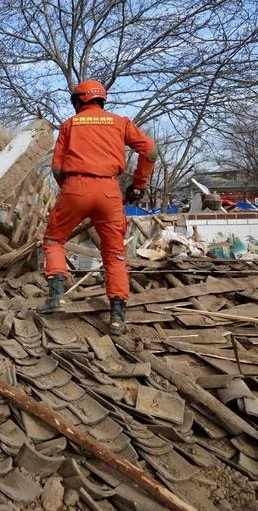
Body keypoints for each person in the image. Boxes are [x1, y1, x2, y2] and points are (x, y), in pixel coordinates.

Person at [41, 80, 157, 335]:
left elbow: (57, 168)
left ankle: (57, 297)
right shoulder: (120, 122)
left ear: (79, 100)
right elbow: (150, 151)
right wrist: (139, 185)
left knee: (53, 239)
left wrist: (71, 191)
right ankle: (117, 318)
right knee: (114, 254)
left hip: (75, 186)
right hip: (109, 191)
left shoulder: (70, 124)